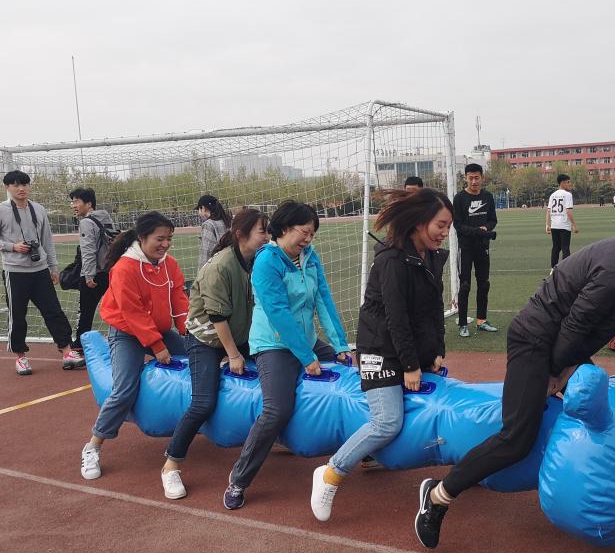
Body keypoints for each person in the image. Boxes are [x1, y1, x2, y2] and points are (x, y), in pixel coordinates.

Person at [412, 186, 615, 550]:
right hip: (537, 341)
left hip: (561, 343)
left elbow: (594, 311)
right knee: (517, 439)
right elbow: (576, 324)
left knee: (596, 406)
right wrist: (555, 374)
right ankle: (438, 496)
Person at [311, 189, 452, 522]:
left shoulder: (431, 256)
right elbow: (396, 317)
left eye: (449, 227)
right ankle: (331, 473)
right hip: (379, 350)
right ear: (419, 222)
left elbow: (433, 309)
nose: (445, 233)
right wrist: (410, 366)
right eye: (440, 225)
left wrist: (436, 351)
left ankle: (376, 453)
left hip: (408, 348)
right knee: (387, 421)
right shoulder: (391, 260)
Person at [223, 201, 351, 510]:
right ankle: (238, 479)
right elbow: (278, 314)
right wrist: (307, 357)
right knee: (276, 410)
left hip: (306, 340)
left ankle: (365, 448)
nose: (308, 239)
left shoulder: (310, 257)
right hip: (274, 345)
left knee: (351, 375)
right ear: (283, 229)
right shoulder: (267, 262)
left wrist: (341, 346)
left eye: (312, 234)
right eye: (304, 232)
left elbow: (323, 299)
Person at [159, 208, 269, 499]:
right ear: (241, 234)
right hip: (207, 339)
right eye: (262, 231)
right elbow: (217, 317)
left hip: (241, 334)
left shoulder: (256, 260)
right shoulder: (220, 266)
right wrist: (233, 355)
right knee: (203, 403)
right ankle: (171, 465)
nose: (267, 237)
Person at [79, 212, 189, 480]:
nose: (165, 244)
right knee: (124, 389)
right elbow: (132, 313)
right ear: (142, 238)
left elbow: (179, 300)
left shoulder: (170, 264)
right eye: (159, 239)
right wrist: (157, 346)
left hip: (158, 330)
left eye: (169, 239)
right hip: (127, 332)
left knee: (199, 362)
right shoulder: (124, 268)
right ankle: (93, 445)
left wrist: (188, 333)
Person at [0, 170, 83, 375]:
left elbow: (47, 240)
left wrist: (53, 267)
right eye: (16, 185)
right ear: (7, 187)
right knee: (18, 315)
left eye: (25, 184)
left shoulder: (39, 209)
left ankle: (67, 351)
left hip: (40, 270)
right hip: (14, 272)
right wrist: (12, 247)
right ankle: (21, 357)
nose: (21, 188)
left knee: (54, 311)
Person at [452, 163, 498, 338]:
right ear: (465, 178)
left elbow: (493, 220)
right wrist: (477, 231)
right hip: (465, 248)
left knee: (484, 284)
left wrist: (487, 228)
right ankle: (463, 324)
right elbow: (458, 225)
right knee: (465, 286)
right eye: (470, 178)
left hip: (483, 247)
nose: (473, 181)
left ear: (482, 178)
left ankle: (481, 321)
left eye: (476, 177)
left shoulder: (488, 196)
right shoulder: (459, 198)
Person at [68, 187, 115, 352]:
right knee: (116, 308)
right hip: (111, 271)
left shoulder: (86, 222)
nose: (73, 205)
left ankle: (80, 345)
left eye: (76, 202)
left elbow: (88, 250)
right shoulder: (106, 218)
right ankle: (122, 339)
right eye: (72, 202)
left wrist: (88, 275)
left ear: (88, 204)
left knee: (85, 312)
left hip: (95, 274)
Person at [546, 174, 578, 268]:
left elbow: (548, 211)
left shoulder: (553, 195)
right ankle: (565, 269)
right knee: (565, 248)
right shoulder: (568, 195)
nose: (569, 184)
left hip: (554, 225)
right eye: (568, 182)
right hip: (564, 225)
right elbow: (568, 211)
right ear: (562, 183)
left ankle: (553, 268)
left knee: (556, 248)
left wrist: (547, 225)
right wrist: (574, 225)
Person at [195, 194, 232, 271]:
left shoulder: (209, 225)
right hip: (231, 266)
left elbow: (206, 253)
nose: (198, 213)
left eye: (198, 209)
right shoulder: (229, 222)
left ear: (203, 208)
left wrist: (201, 274)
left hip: (216, 270)